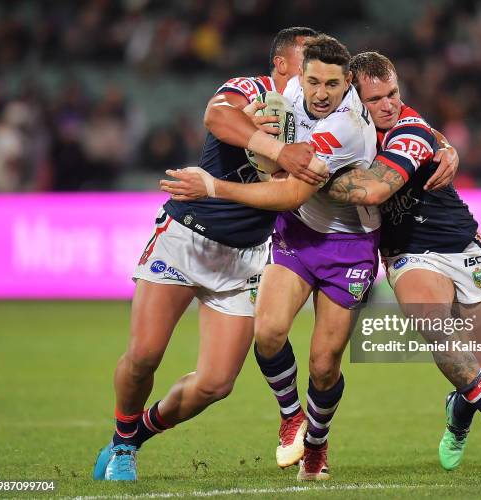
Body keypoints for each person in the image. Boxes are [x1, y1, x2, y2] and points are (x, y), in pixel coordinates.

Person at [92, 26, 323, 481]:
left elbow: (290, 194)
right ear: (280, 64)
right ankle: (121, 444)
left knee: (217, 383)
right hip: (186, 238)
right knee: (144, 355)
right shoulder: (249, 90)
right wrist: (276, 148)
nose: (314, 78)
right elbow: (216, 116)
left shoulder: (315, 119)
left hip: (244, 258)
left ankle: (131, 440)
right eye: (306, 65)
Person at [161, 34, 381, 481]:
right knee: (268, 333)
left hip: (349, 243)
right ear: (300, 75)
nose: (320, 94)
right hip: (298, 234)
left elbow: (288, 193)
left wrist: (213, 187)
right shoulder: (293, 91)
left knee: (324, 362)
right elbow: (229, 118)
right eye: (313, 81)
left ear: (347, 87)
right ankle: (291, 417)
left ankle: (316, 444)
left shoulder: (345, 128)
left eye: (332, 86)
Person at [324, 51, 481, 469]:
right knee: (435, 323)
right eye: (376, 98)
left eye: (393, 93)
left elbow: (375, 191)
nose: (389, 105)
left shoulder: (411, 129)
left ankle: (458, 415)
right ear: (356, 101)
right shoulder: (347, 132)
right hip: (409, 253)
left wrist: (319, 181)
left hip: (462, 244)